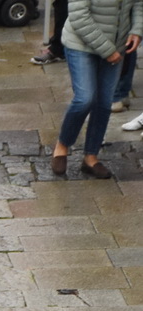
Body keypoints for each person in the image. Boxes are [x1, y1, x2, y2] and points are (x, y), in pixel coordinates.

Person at [49, 0, 140, 178]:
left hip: (116, 45)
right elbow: (79, 16)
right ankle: (63, 144)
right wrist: (107, 51)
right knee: (85, 98)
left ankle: (91, 157)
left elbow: (137, 3)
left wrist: (137, 30)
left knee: (104, 102)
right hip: (81, 45)